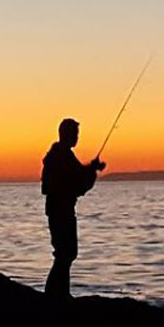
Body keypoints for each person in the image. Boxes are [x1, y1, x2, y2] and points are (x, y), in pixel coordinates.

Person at [41, 118, 106, 301]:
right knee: (65, 253)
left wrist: (91, 169)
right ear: (66, 134)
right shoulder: (61, 155)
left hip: (61, 208)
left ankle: (58, 293)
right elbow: (75, 181)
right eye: (75, 134)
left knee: (66, 253)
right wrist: (92, 171)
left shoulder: (60, 154)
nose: (77, 138)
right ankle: (55, 295)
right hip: (60, 210)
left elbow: (76, 176)